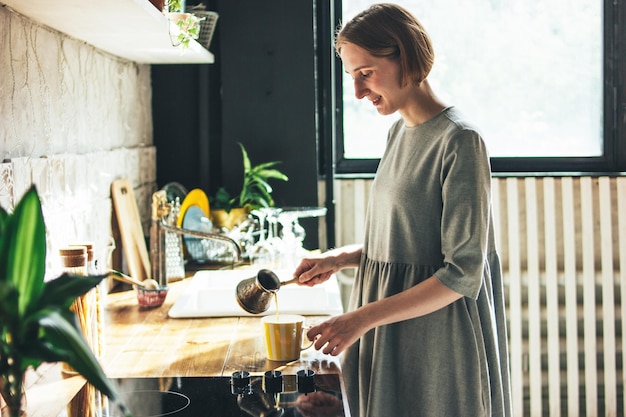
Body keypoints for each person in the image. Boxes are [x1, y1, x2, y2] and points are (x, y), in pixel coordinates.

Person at [293, 3, 512, 416]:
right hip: (389, 330)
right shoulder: (398, 131)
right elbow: (409, 240)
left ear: (405, 55)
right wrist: (340, 257)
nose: (357, 92)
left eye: (366, 73)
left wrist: (358, 320)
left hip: (436, 345)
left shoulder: (460, 141)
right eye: (351, 77)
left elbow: (462, 273)